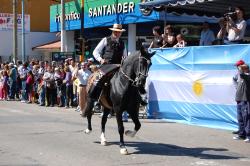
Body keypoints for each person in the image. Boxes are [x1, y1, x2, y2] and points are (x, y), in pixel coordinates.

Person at [233, 63, 250, 142]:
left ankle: (248, 136)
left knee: (246, 118)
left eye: (239, 68)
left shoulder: (248, 75)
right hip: (239, 100)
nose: (238, 68)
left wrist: (241, 70)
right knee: (240, 118)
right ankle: (241, 134)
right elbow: (234, 79)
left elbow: (242, 75)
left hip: (245, 100)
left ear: (245, 69)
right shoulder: (240, 76)